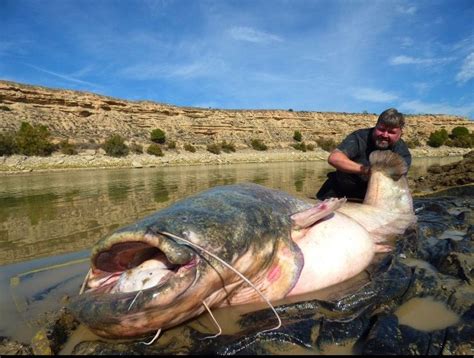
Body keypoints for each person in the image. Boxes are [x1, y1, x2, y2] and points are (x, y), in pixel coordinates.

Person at [316, 108, 411, 201]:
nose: (385, 135)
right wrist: (367, 170)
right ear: (375, 126)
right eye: (381, 129)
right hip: (336, 194)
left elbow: (397, 181)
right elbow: (334, 158)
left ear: (400, 134)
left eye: (391, 132)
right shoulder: (359, 137)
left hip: (369, 199)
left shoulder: (402, 151)